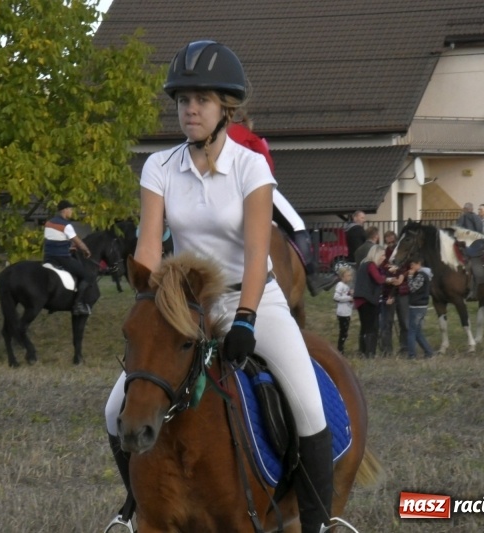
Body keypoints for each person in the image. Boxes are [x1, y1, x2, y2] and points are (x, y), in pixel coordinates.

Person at [103, 40, 336, 533]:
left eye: (201, 100)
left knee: (309, 407)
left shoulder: (251, 168)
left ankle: (319, 525)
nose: (190, 109)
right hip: (187, 304)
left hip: (254, 296)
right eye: (183, 101)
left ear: (225, 109)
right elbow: (149, 246)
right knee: (113, 410)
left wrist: (247, 319)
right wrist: (147, 300)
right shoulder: (159, 167)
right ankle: (134, 509)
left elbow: (257, 254)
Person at [227, 122, 335, 296]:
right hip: (251, 185)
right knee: (297, 225)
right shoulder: (246, 135)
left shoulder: (214, 133)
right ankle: (314, 277)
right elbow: (266, 164)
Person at [43, 200, 94, 316]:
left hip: (48, 257)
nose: (71, 212)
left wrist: (68, 246)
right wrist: (86, 250)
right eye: (70, 209)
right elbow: (78, 242)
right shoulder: (66, 225)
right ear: (64, 210)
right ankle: (78, 304)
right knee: (87, 275)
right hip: (61, 258)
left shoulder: (48, 223)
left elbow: (55, 240)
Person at [353, 245, 401, 357]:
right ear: (377, 254)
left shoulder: (364, 265)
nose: (384, 258)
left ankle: (363, 351)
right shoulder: (370, 265)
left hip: (361, 299)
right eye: (383, 255)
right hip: (367, 300)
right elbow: (378, 279)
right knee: (371, 326)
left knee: (365, 326)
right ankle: (370, 352)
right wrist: (389, 279)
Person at [379, 230, 408, 355]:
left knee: (404, 322)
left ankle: (404, 348)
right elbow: (381, 269)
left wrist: (402, 276)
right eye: (388, 241)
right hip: (388, 290)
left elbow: (408, 267)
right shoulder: (384, 254)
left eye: (392, 241)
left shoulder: (403, 252)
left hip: (402, 291)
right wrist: (390, 280)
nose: (391, 243)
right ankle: (387, 350)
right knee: (387, 323)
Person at [405, 255, 435, 359]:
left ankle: (412, 354)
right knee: (417, 331)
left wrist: (409, 276)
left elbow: (413, 288)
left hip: (417, 305)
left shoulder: (421, 275)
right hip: (421, 305)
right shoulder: (423, 274)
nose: (411, 267)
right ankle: (428, 351)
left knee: (412, 331)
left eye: (413, 264)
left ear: (418, 264)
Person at [333, 265, 354, 354]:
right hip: (342, 312)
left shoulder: (346, 286)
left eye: (350, 275)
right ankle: (340, 349)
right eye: (348, 276)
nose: (350, 278)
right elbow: (336, 297)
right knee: (343, 331)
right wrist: (349, 298)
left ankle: (341, 348)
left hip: (347, 312)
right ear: (342, 276)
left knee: (345, 332)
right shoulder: (340, 285)